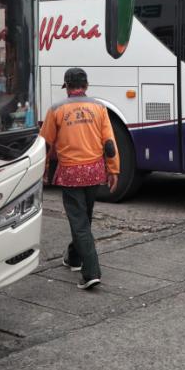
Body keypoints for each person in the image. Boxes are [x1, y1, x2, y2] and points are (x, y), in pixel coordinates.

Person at [39, 68, 119, 290]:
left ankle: (91, 271)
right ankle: (74, 258)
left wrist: (43, 170)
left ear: (67, 86)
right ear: (86, 86)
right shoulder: (99, 108)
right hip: (95, 172)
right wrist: (113, 171)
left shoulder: (56, 110)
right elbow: (109, 144)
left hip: (71, 172)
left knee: (79, 221)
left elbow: (45, 144)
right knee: (84, 218)